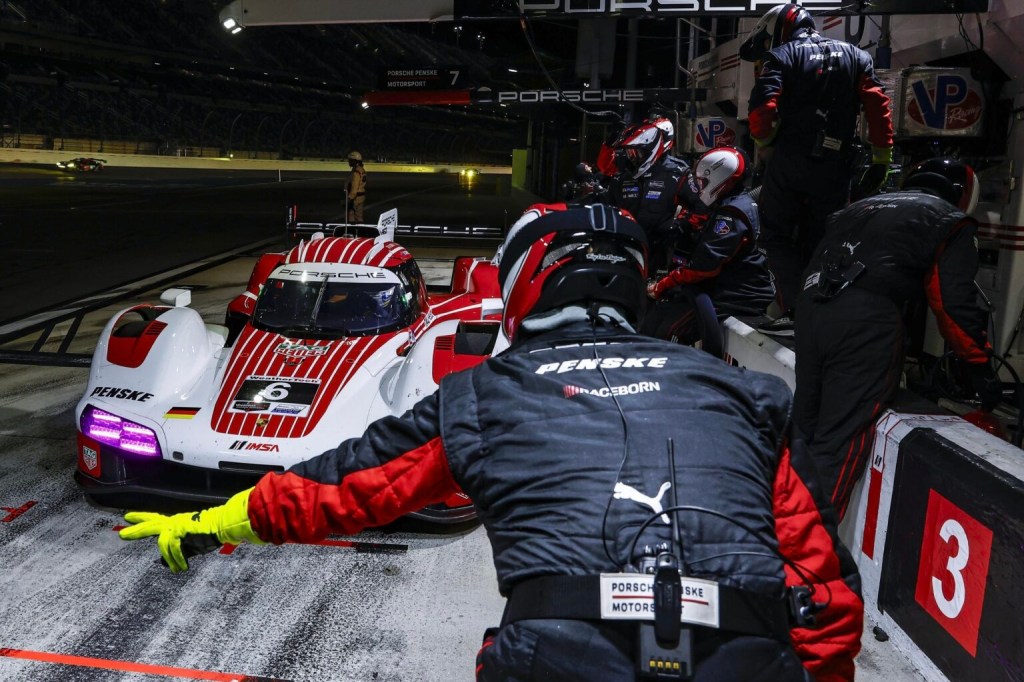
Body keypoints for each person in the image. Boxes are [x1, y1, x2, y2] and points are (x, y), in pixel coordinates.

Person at [119, 205, 863, 682]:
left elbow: (342, 489)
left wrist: (210, 522)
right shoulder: (737, 391)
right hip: (748, 656)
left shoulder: (486, 392)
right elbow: (825, 592)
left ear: (527, 286)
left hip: (559, 657)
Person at [793, 158, 999, 520]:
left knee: (803, 428)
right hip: (865, 321)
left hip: (811, 309)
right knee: (839, 442)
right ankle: (804, 561)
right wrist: (979, 364)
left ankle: (768, 538)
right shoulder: (949, 220)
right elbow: (952, 302)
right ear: (961, 194)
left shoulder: (857, 208)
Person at [739, 3, 894, 336]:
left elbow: (762, 113)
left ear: (777, 29)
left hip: (791, 160)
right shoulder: (857, 56)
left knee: (776, 236)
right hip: (836, 166)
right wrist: (882, 158)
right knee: (827, 237)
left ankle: (794, 309)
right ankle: (826, 309)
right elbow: (879, 107)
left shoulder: (781, 56)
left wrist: (766, 138)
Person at [642, 147, 775, 347]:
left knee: (668, 332)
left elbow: (704, 266)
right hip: (721, 289)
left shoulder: (731, 213)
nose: (699, 187)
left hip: (736, 295)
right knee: (656, 317)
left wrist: (664, 284)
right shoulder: (732, 204)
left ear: (719, 178)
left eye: (702, 181)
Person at [597, 116, 691, 273]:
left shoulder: (677, 172)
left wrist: (679, 226)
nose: (632, 156)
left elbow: (696, 207)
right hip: (623, 247)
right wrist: (610, 142)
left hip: (659, 251)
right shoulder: (626, 170)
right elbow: (605, 168)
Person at [346, 150, 367, 223]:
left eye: (350, 160)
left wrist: (350, 198)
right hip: (361, 196)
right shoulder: (362, 170)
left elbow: (354, 187)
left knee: (351, 216)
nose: (349, 162)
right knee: (359, 217)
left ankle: (352, 232)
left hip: (355, 198)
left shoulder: (356, 172)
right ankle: (360, 232)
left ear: (355, 161)